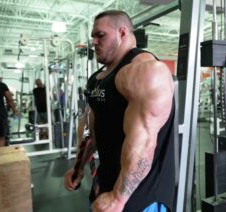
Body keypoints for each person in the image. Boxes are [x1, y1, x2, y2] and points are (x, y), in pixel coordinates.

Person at [64, 10, 176, 212]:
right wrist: (78, 167)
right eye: (93, 37)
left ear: (122, 33)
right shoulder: (98, 78)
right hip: (105, 187)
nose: (94, 42)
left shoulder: (145, 72)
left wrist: (119, 197)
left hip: (140, 196)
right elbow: (91, 128)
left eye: (101, 35)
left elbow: (144, 143)